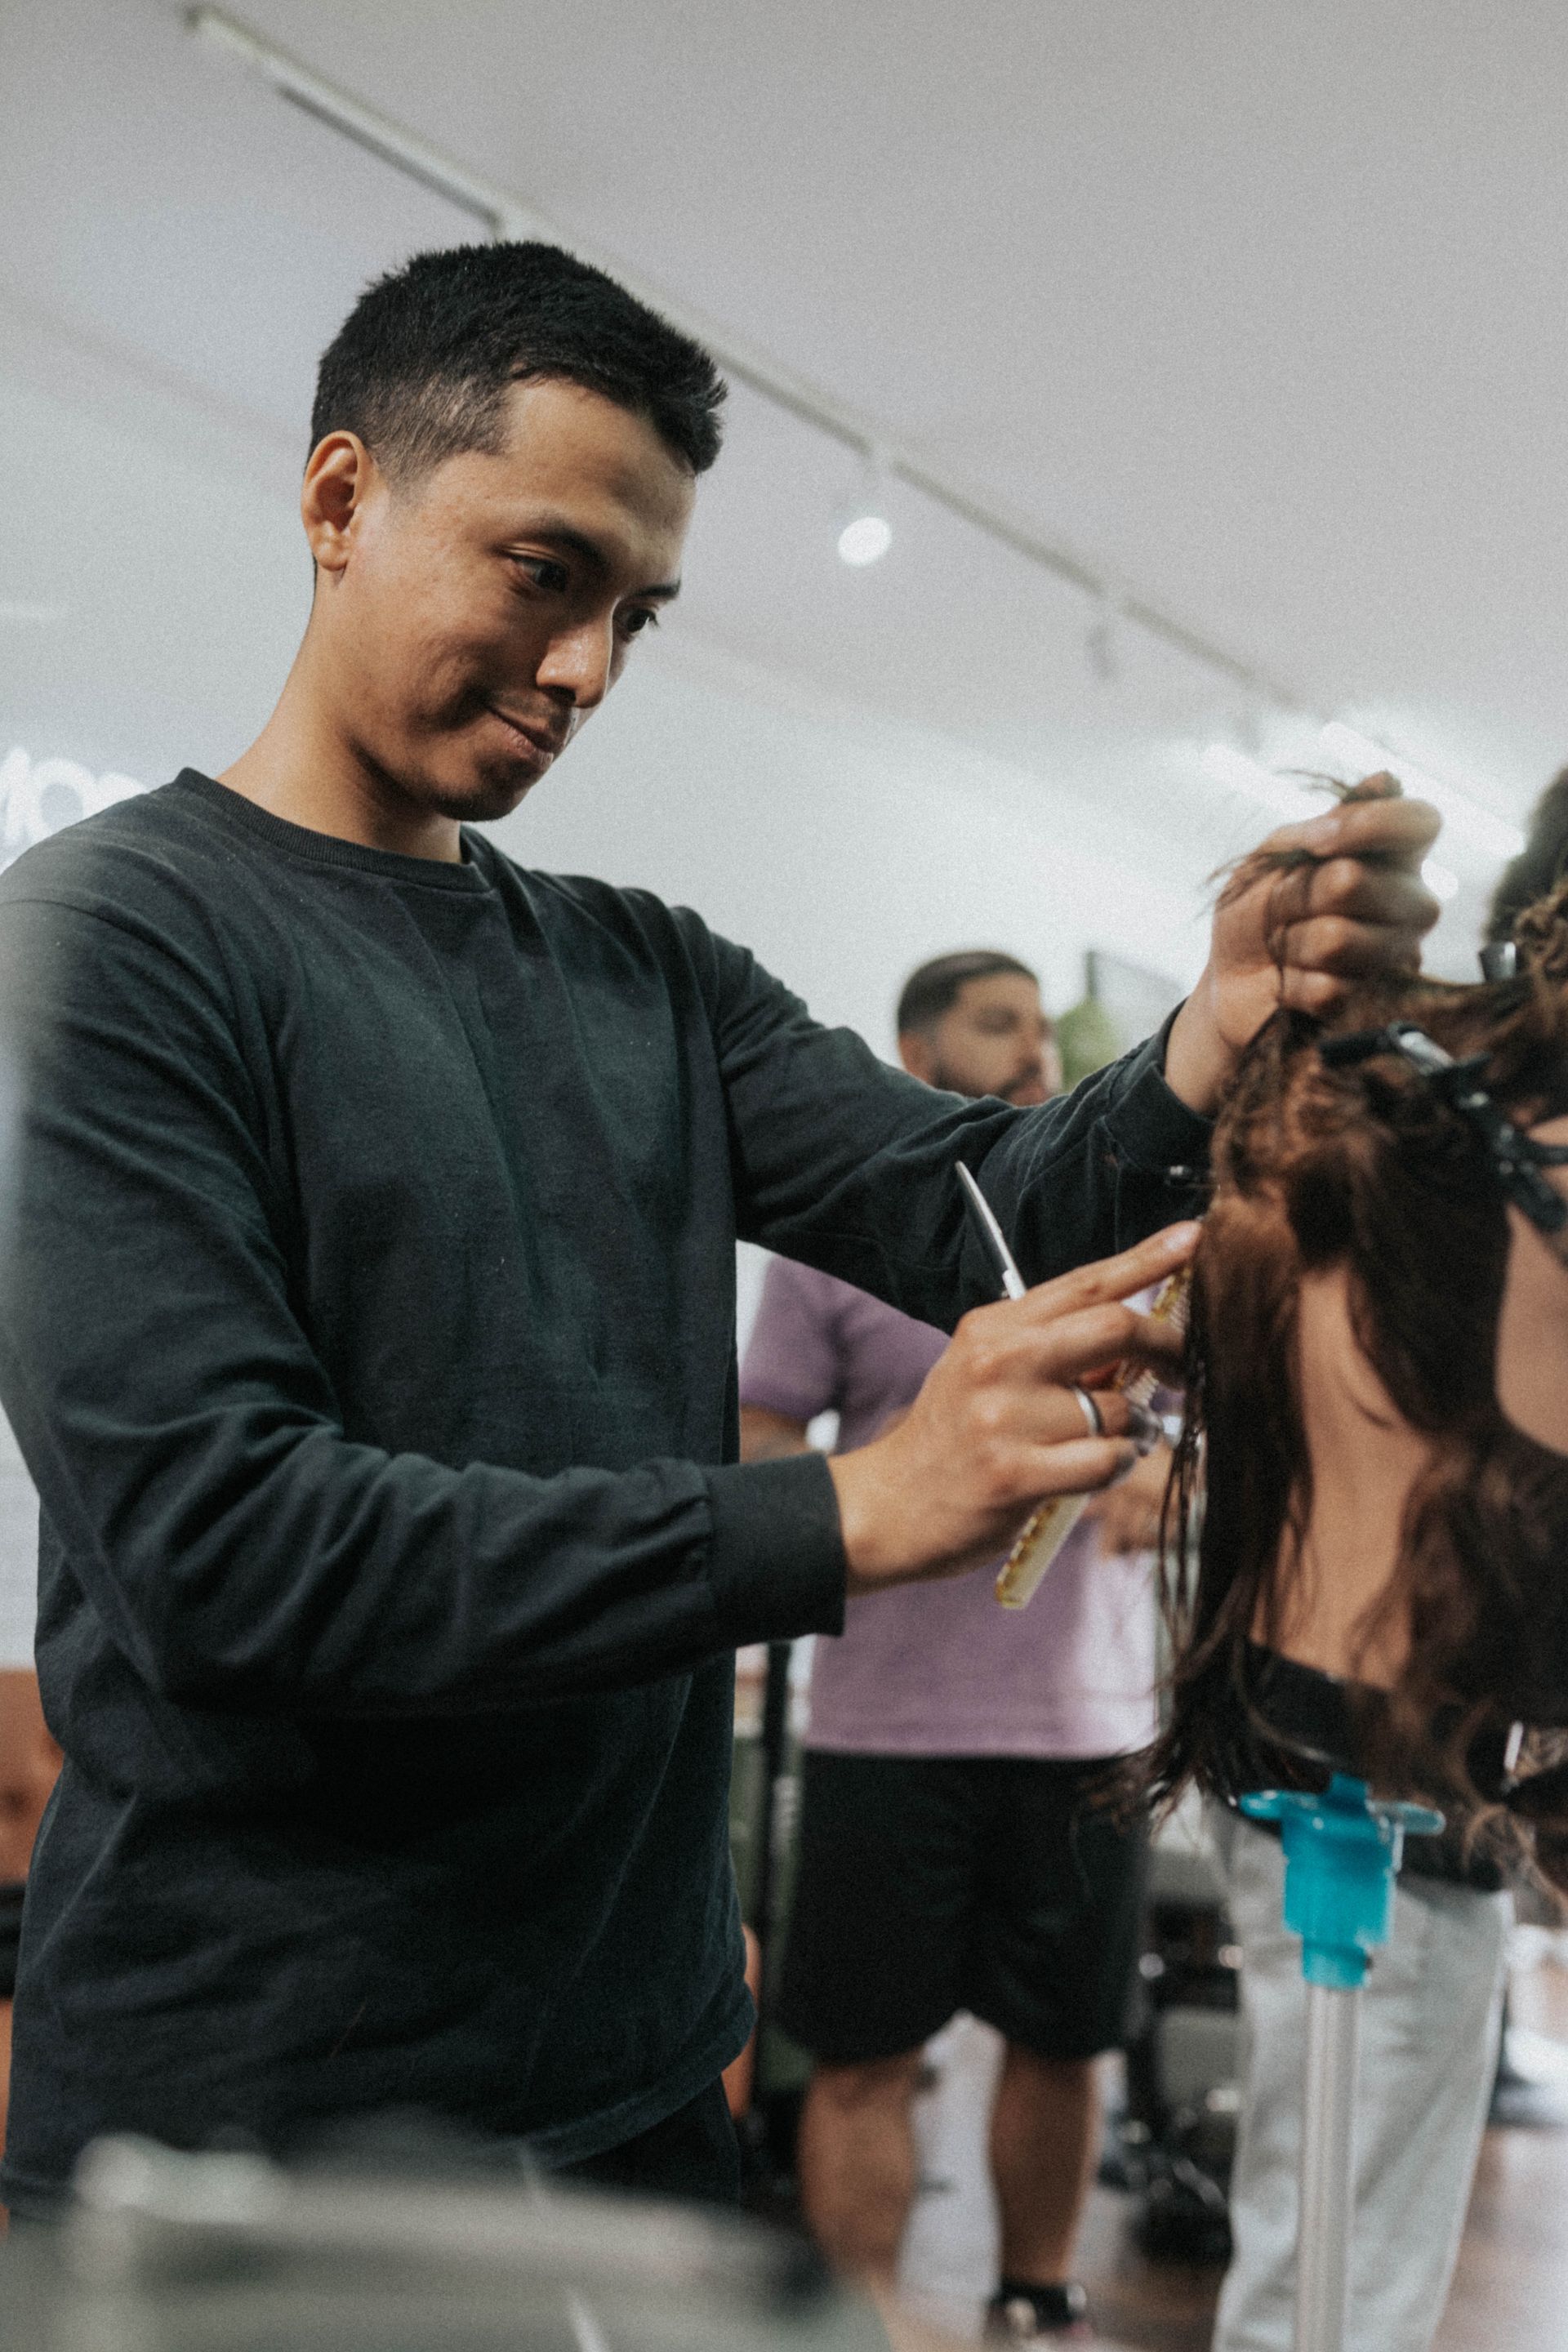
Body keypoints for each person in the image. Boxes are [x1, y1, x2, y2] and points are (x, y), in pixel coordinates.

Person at [0, 237, 1439, 2221]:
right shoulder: (104, 942)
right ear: (342, 499)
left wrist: (1216, 1028)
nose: (587, 669)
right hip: (262, 2121)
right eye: (543, 573)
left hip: (644, 2072)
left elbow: (991, 1208)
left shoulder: (646, 975)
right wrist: (848, 1513)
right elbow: (228, 1554)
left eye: (638, 614)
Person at [1145, 866, 1568, 2350]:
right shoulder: (1413, 1143)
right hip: (1358, 1764)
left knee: (1349, 2212)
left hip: (1403, 1754)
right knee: (1341, 2236)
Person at [740, 951, 1168, 2342]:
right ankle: (857, 2324)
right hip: (885, 1731)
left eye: (1045, 1025)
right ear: (915, 1054)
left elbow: (1201, 1455)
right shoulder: (834, 1250)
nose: (1037, 1050)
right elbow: (757, 1446)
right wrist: (899, 1490)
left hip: (1089, 1729)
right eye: (1001, 1025)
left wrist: (1170, 1481)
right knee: (865, 2056)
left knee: (1064, 2043)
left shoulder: (1117, 1240)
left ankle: (1034, 2303)